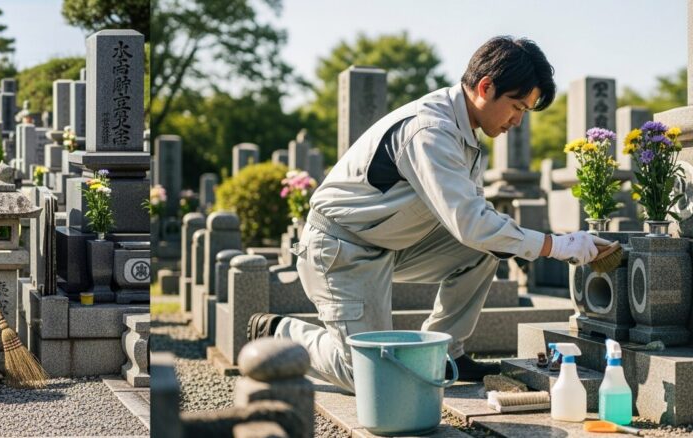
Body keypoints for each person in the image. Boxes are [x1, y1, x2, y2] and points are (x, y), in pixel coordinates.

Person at [247, 36, 600, 393]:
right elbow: (472, 224)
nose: (518, 121)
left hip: (391, 242)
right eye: (517, 106)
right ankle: (281, 332)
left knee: (492, 244)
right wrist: (557, 245)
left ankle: (445, 351)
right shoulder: (431, 130)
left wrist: (535, 243)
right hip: (340, 249)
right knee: (369, 378)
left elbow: (480, 224)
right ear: (485, 86)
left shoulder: (469, 134)